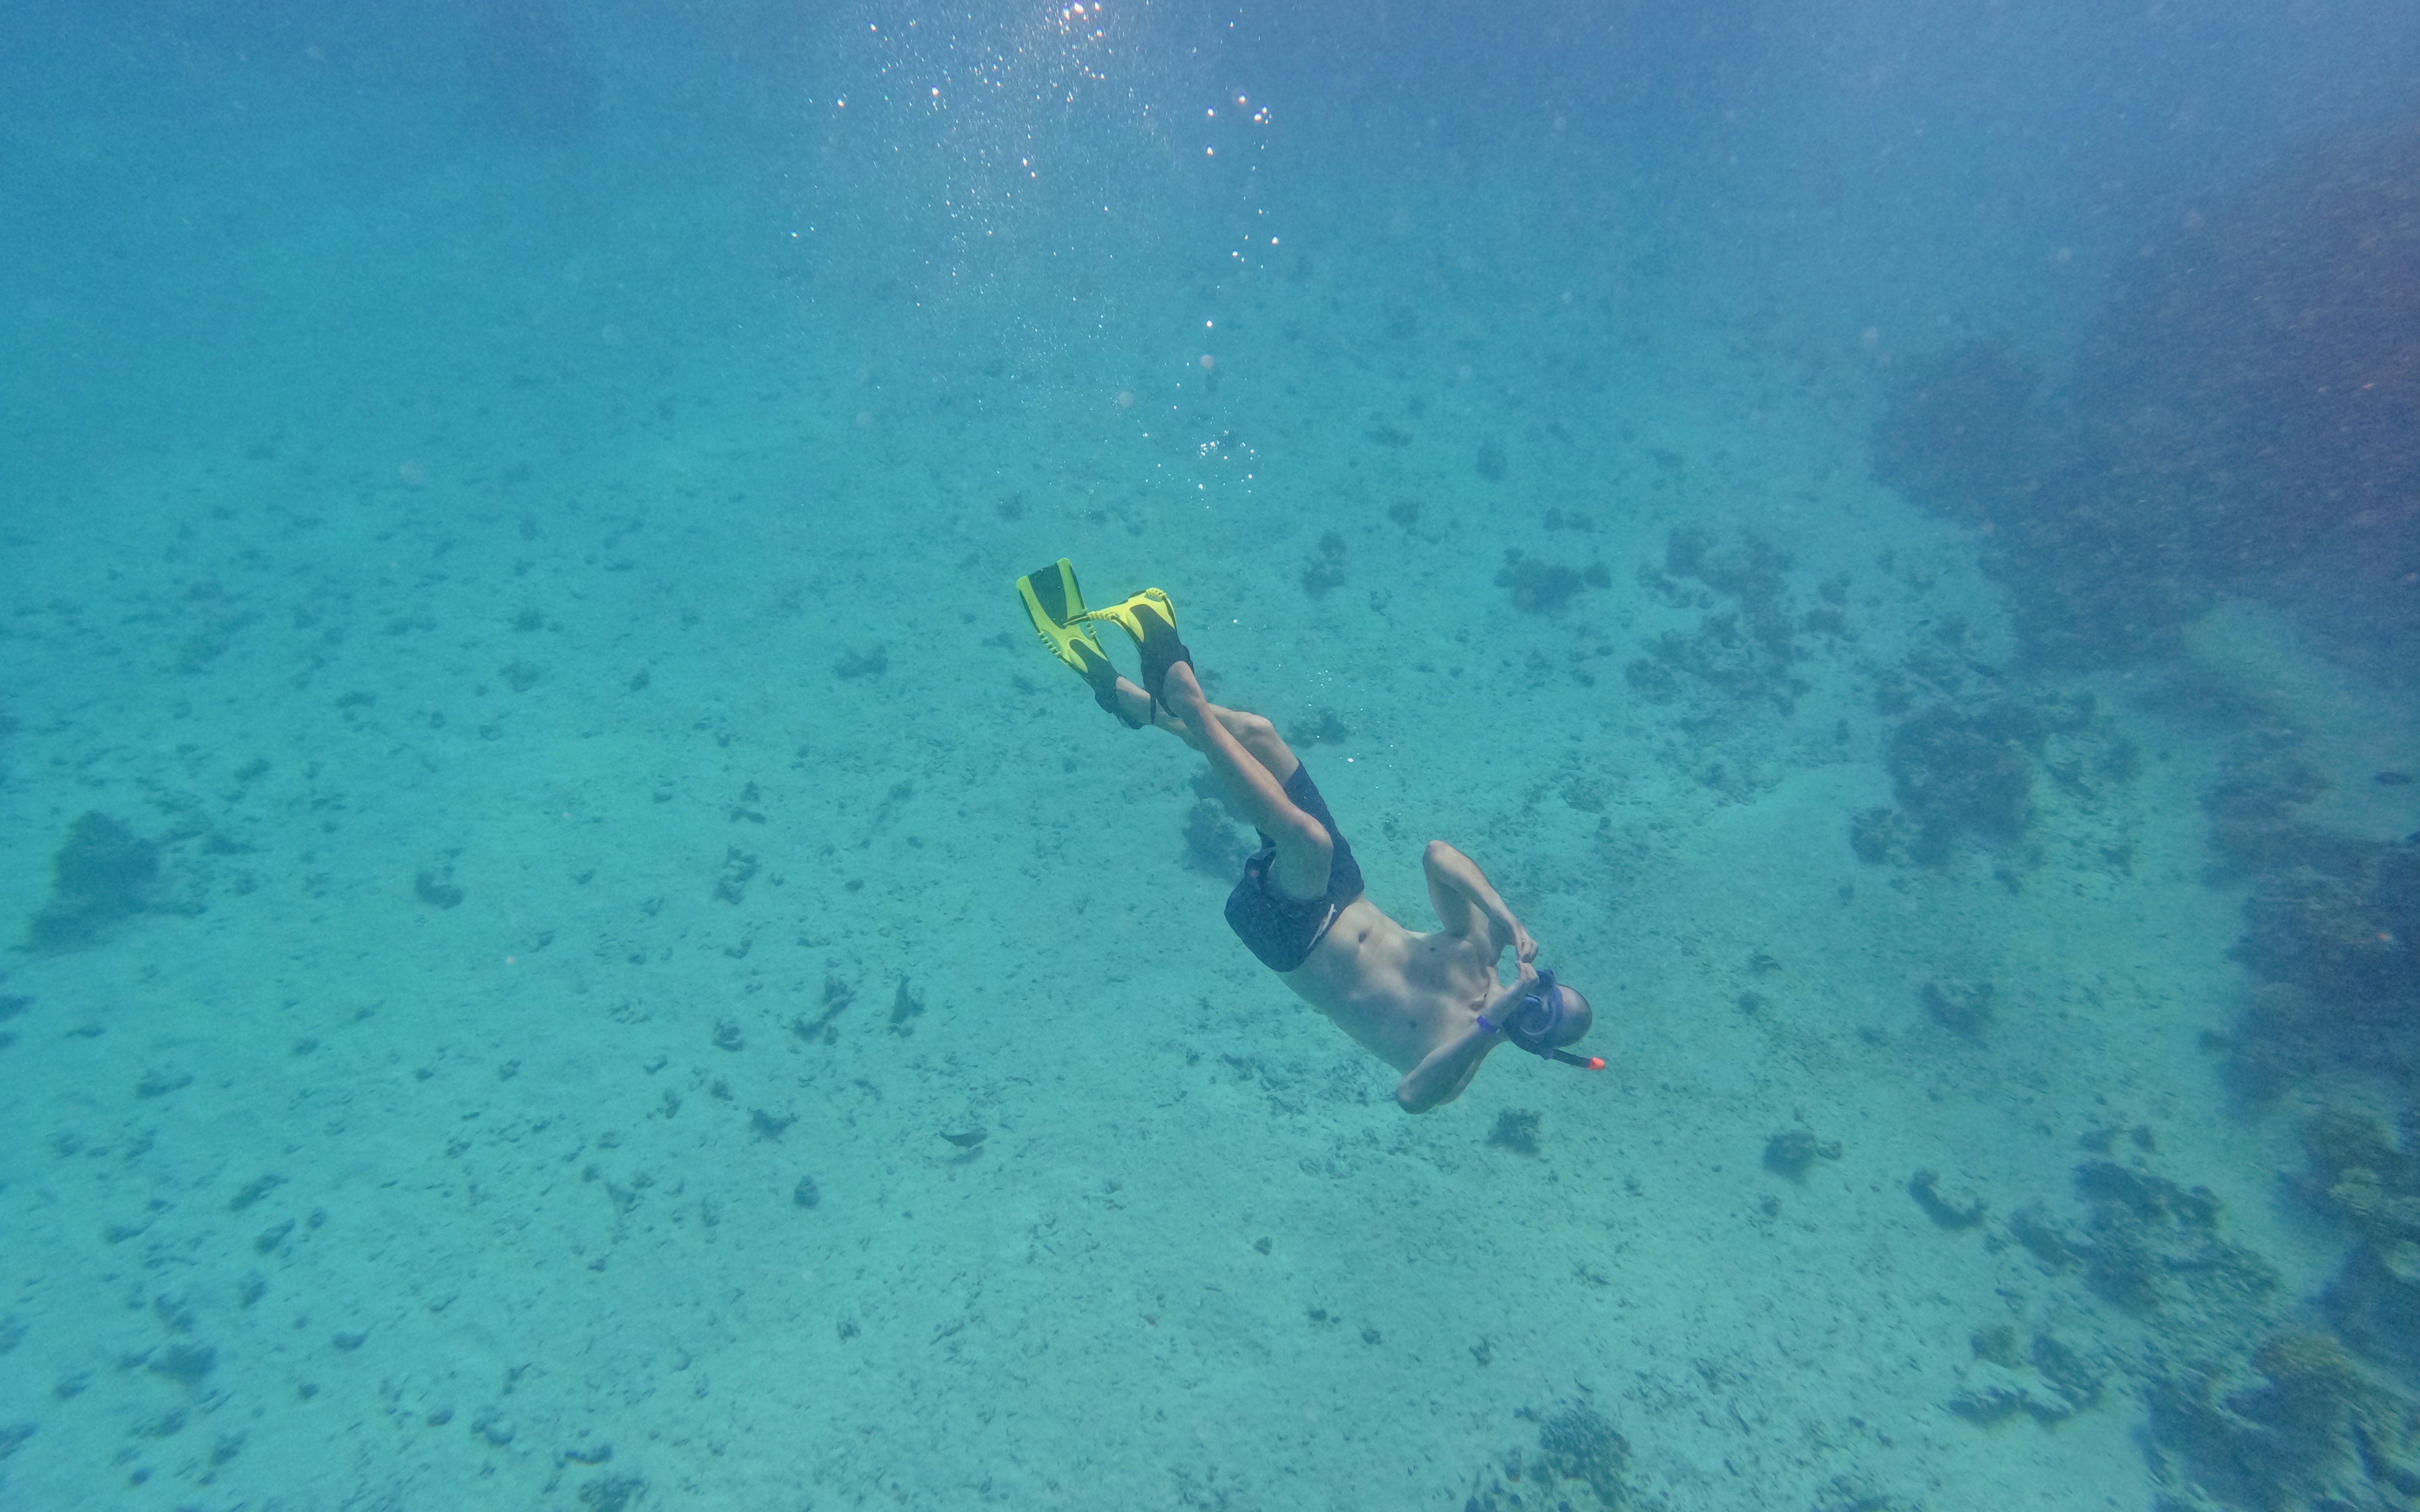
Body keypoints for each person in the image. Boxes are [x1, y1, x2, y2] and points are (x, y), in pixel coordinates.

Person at [1015, 560, 1602, 1112]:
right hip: (1339, 888)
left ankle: (1184, 696)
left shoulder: (1458, 1060)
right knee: (1260, 735)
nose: (1533, 1003)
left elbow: (1411, 1099)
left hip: (1293, 939)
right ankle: (1123, 697)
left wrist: (1488, 1024)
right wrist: (1505, 915)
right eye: (1546, 994)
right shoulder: (1480, 953)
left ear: (1538, 1042)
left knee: (1309, 843)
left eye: (1543, 1017)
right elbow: (1438, 856)